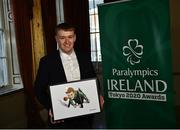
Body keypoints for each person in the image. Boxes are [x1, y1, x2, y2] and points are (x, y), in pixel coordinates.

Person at [34, 22, 104, 128]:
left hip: (85, 117)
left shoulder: (85, 57)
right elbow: (38, 89)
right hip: (61, 119)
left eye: (70, 37)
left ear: (74, 38)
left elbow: (94, 80)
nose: (67, 42)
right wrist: (52, 107)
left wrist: (97, 95)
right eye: (62, 38)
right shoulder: (47, 61)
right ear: (56, 39)